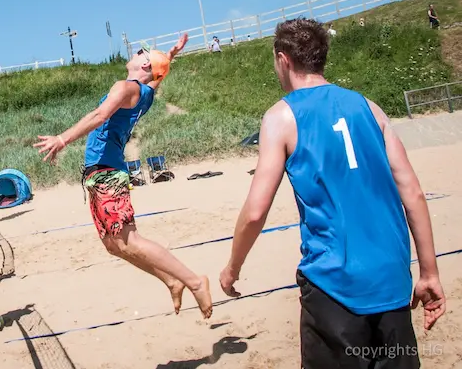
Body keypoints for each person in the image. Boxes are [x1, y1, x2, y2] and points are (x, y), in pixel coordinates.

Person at [218, 18, 445, 368]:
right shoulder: (370, 107)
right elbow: (412, 192)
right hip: (392, 280)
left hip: (333, 286)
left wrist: (232, 267)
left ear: (283, 60)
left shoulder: (282, 116)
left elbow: (254, 211)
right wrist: (429, 273)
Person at [34, 34, 212, 318]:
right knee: (113, 246)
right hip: (100, 174)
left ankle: (194, 281)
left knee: (129, 240)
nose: (138, 51)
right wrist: (171, 54)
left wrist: (62, 139)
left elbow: (99, 115)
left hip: (107, 173)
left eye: (143, 51)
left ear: (144, 65)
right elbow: (157, 76)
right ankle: (171, 280)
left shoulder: (126, 87)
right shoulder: (144, 94)